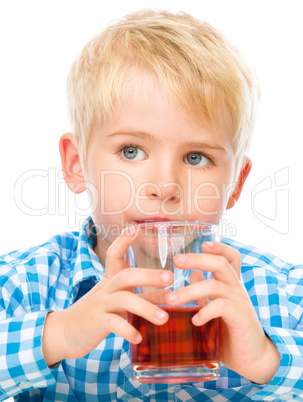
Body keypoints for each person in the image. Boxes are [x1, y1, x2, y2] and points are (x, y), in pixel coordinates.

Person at [0, 9, 302, 402]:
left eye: (196, 157)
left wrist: (268, 359)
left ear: (235, 184)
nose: (164, 187)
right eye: (131, 150)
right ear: (76, 165)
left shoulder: (287, 295)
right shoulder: (22, 285)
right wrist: (57, 334)